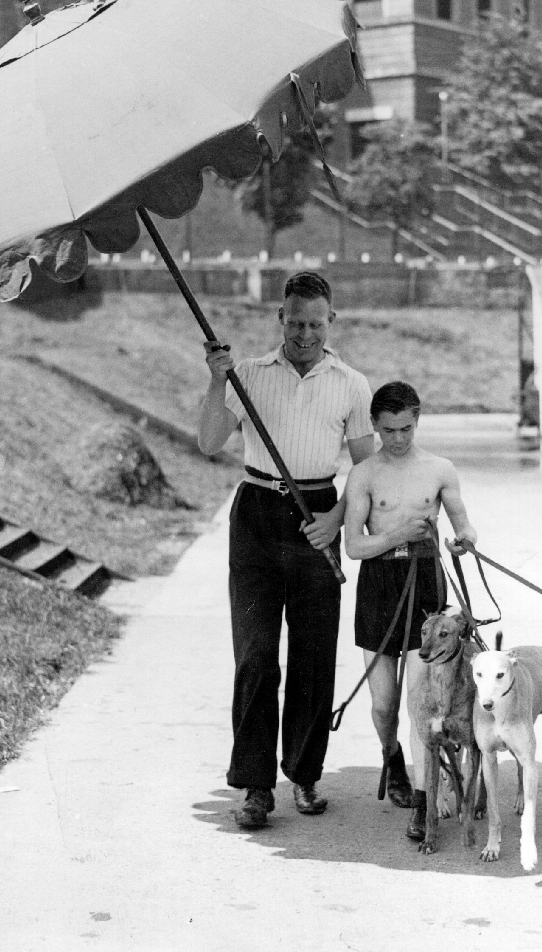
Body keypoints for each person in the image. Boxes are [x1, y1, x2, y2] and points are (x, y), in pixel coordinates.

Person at [198, 271, 374, 830]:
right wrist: (215, 380)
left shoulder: (351, 384)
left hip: (315, 515)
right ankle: (255, 786)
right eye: (295, 322)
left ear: (331, 323)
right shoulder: (247, 374)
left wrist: (336, 518)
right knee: (254, 656)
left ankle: (304, 774)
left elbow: (368, 471)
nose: (304, 334)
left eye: (315, 323)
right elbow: (207, 441)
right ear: (281, 319)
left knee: (314, 656)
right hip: (255, 514)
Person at [342, 380, 478, 841]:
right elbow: (355, 546)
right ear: (375, 427)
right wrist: (397, 534)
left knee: (422, 703)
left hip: (426, 586)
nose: (397, 439)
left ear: (417, 421)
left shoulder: (439, 468)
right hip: (378, 585)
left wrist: (465, 539)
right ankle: (391, 755)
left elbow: (461, 521)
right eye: (387, 430)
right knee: (384, 705)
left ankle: (422, 803)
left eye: (405, 428)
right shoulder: (363, 474)